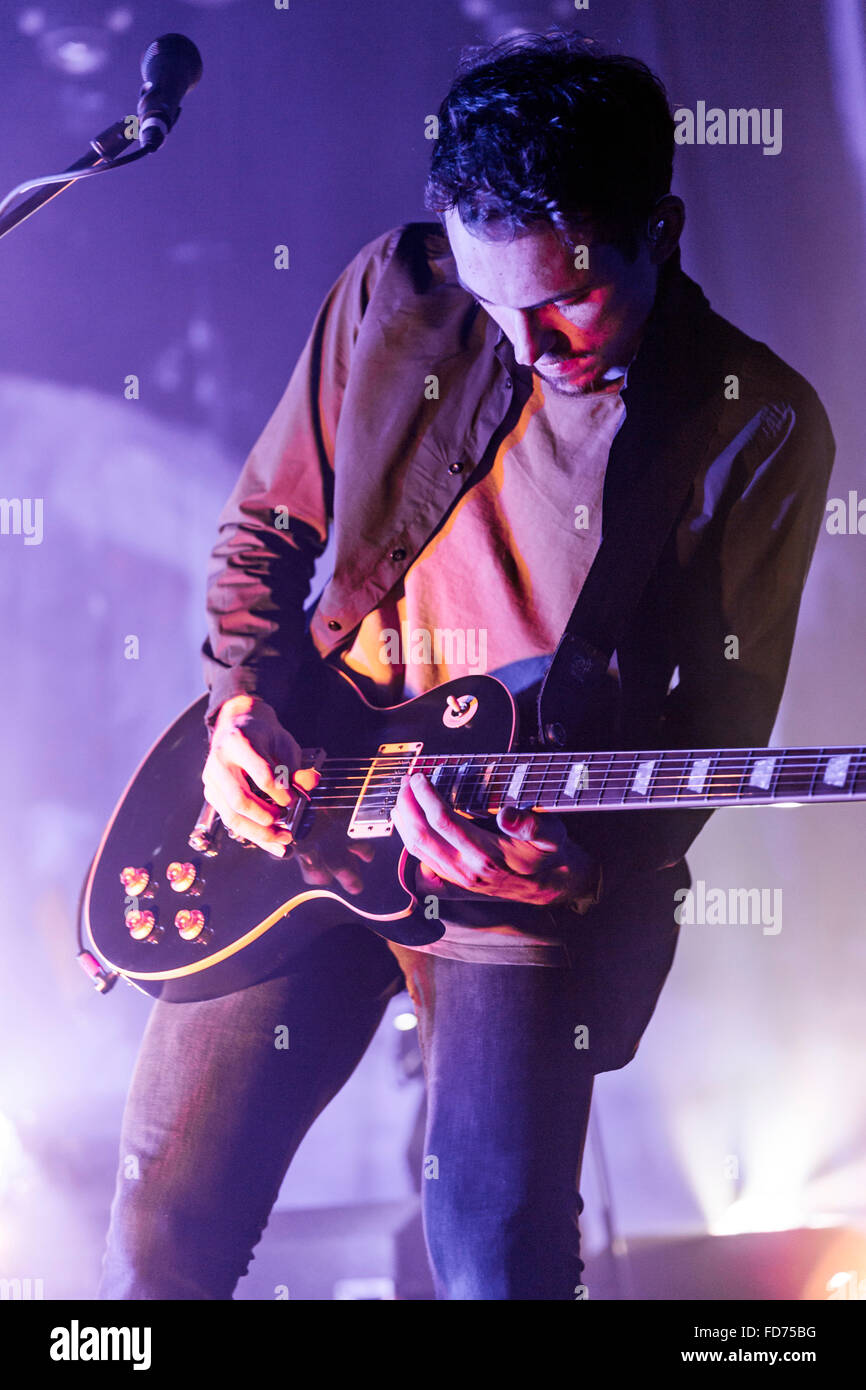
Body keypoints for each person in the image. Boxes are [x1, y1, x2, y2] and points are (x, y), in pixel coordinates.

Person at [98, 32, 835, 1300]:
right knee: (161, 1233)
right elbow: (265, 530)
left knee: (493, 1261)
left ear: (659, 227)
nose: (531, 340)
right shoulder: (396, 288)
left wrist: (584, 861)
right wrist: (239, 711)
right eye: (499, 304)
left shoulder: (751, 420)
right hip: (304, 808)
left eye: (570, 298)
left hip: (508, 859)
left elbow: (716, 722)